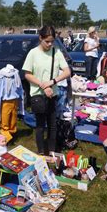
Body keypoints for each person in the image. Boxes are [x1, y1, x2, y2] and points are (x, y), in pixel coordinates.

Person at [23, 25, 71, 156]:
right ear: (40, 38)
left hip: (53, 94)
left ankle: (51, 151)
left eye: (52, 41)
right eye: (47, 41)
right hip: (38, 94)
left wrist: (53, 82)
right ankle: (40, 152)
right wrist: (43, 85)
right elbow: (27, 74)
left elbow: (67, 71)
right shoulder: (33, 53)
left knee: (52, 124)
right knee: (40, 125)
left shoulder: (57, 52)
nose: (50, 44)